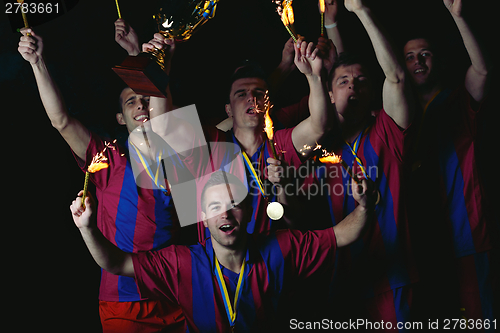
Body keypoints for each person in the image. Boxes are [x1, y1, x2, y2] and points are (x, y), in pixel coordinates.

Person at [18, 24, 185, 332]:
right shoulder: (108, 159)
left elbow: (164, 125)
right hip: (124, 303)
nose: (141, 105)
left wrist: (141, 56)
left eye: (145, 99)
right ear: (121, 118)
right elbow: (61, 121)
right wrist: (37, 63)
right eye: (131, 101)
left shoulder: (181, 150)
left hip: (176, 292)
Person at [69, 170, 378, 332]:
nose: (225, 215)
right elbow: (117, 263)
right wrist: (88, 228)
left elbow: (341, 236)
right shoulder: (182, 262)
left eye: (233, 206)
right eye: (215, 207)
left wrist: (364, 206)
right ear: (203, 216)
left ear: (246, 210)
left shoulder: (280, 246)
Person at [267, 0, 418, 328]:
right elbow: (292, 213)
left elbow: (396, 78)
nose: (353, 86)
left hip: (394, 279)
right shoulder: (317, 148)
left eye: (362, 81)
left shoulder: (387, 134)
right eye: (344, 81)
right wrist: (280, 185)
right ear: (330, 94)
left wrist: (362, 11)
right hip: (342, 284)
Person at [141, 37, 334, 241]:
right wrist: (161, 67)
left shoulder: (280, 143)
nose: (251, 98)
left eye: (259, 93)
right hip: (217, 266)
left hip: (268, 261)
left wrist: (314, 76)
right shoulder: (213, 143)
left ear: (268, 105)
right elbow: (162, 126)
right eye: (241, 94)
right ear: (228, 110)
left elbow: (321, 125)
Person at [403, 0, 497, 325]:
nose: (418, 61)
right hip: (421, 245)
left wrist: (458, 17)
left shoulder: (458, 100)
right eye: (410, 56)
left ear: (437, 59)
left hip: (467, 235)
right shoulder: (398, 117)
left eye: (425, 53)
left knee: (477, 319)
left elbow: (483, 70)